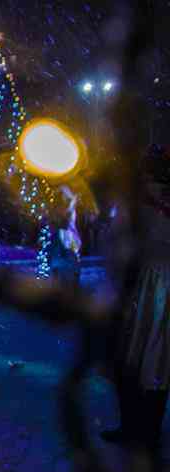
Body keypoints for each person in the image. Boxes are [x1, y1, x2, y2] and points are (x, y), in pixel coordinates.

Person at [102, 146, 170, 448]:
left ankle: (134, 429)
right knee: (157, 362)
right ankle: (147, 432)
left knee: (132, 358)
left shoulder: (136, 202)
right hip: (155, 285)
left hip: (142, 284)